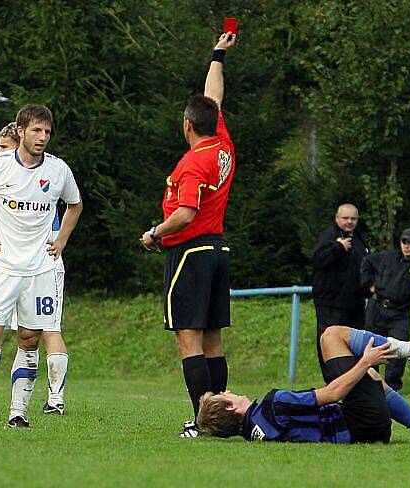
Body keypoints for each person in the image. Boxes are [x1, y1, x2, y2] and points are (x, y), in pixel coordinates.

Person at [0, 104, 82, 428]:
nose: (43, 137)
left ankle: (18, 414)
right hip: (1, 268)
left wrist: (61, 240)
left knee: (29, 339)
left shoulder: (58, 170)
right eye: (36, 130)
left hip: (39, 271)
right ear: (21, 131)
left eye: (47, 131)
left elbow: (75, 205)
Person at [139, 31, 236, 438]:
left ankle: (201, 420)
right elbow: (212, 97)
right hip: (218, 249)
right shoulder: (222, 144)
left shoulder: (193, 163)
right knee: (212, 342)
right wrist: (218, 55)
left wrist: (154, 233)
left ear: (186, 124)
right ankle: (224, 416)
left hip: (191, 252)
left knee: (188, 340)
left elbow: (185, 213)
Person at [196, 326, 410, 443]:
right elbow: (331, 394)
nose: (227, 391)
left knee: (372, 378)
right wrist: (365, 361)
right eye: (222, 395)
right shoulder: (273, 403)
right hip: (363, 421)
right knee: (331, 336)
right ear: (230, 408)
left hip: (367, 430)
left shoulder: (255, 433)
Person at [360, 228, 410, 390]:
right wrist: (369, 285)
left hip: (400, 313)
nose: (407, 246)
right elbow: (366, 261)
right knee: (370, 346)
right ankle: (370, 385)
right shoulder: (387, 257)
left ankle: (392, 387)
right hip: (377, 308)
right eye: (404, 242)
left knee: (399, 349)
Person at [311, 203, 370, 372]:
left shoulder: (360, 239)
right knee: (329, 342)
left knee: (356, 343)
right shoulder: (328, 237)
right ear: (337, 218)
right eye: (345, 218)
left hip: (355, 303)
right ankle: (332, 381)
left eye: (353, 218)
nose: (349, 222)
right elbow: (316, 260)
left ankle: (354, 379)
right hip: (330, 303)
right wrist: (337, 248)